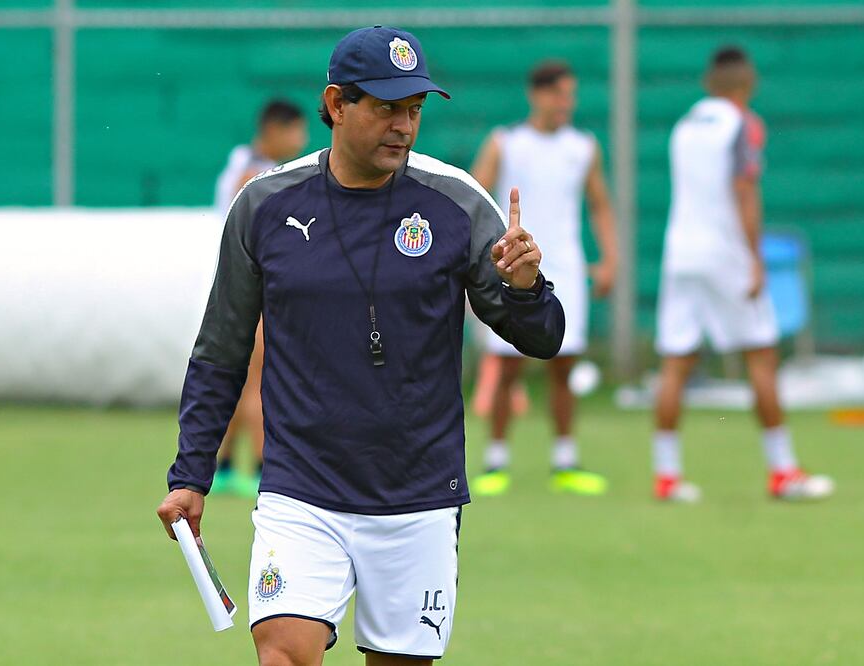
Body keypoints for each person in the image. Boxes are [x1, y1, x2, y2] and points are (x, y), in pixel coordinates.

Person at [156, 26, 564, 665]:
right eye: (386, 107)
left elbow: (542, 339)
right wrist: (191, 474)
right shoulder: (264, 205)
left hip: (419, 493)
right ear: (337, 104)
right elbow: (221, 350)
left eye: (414, 110)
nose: (403, 126)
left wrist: (526, 287)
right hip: (300, 489)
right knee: (283, 654)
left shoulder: (456, 203)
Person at [652, 46, 833, 503]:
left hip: (680, 253)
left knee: (675, 362)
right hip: (725, 254)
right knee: (761, 355)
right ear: (747, 84)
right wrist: (754, 257)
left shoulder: (684, 125)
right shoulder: (742, 124)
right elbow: (744, 190)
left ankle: (667, 476)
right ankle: (783, 471)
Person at [468, 60, 618, 497]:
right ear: (536, 94)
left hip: (566, 268)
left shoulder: (583, 147)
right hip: (512, 267)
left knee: (564, 365)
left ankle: (565, 460)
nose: (565, 103)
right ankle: (496, 461)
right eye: (558, 94)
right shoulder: (505, 143)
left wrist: (609, 259)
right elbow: (473, 199)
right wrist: (479, 260)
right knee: (507, 365)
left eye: (570, 95)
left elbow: (600, 204)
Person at [210, 100, 308, 498]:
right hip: (255, 292)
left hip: (237, 291)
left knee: (240, 379)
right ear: (274, 130)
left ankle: (223, 465)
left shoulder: (243, 163)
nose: (302, 140)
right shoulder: (255, 176)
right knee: (260, 380)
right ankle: (264, 468)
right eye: (296, 130)